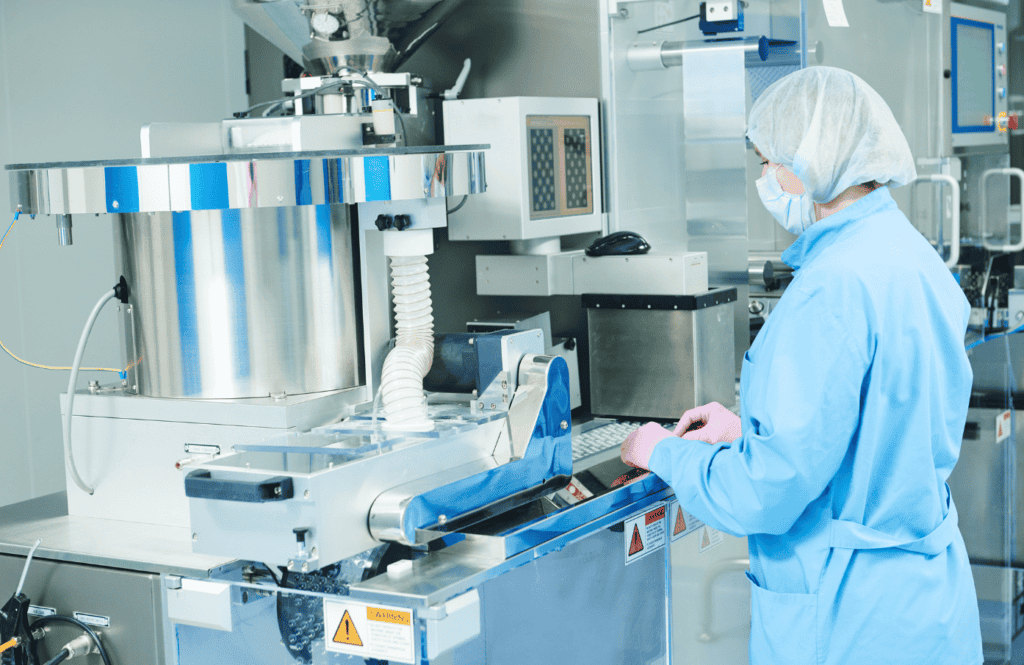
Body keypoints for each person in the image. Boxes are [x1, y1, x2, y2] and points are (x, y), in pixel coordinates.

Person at [621, 66, 983, 665]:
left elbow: (766, 495)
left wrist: (660, 449)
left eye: (769, 161)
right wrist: (746, 433)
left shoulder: (831, 287)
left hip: (850, 619)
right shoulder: (912, 256)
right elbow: (879, 432)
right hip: (926, 603)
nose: (766, 178)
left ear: (812, 160)